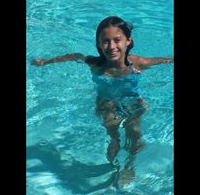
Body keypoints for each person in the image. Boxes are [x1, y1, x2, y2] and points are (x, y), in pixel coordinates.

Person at [32, 16, 173, 186]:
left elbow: (165, 60)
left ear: (128, 41)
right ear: (98, 44)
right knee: (112, 134)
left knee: (134, 133)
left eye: (117, 40)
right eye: (105, 41)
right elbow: (76, 56)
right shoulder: (96, 64)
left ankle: (130, 164)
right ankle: (114, 166)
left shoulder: (136, 63)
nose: (112, 46)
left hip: (132, 101)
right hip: (106, 103)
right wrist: (46, 62)